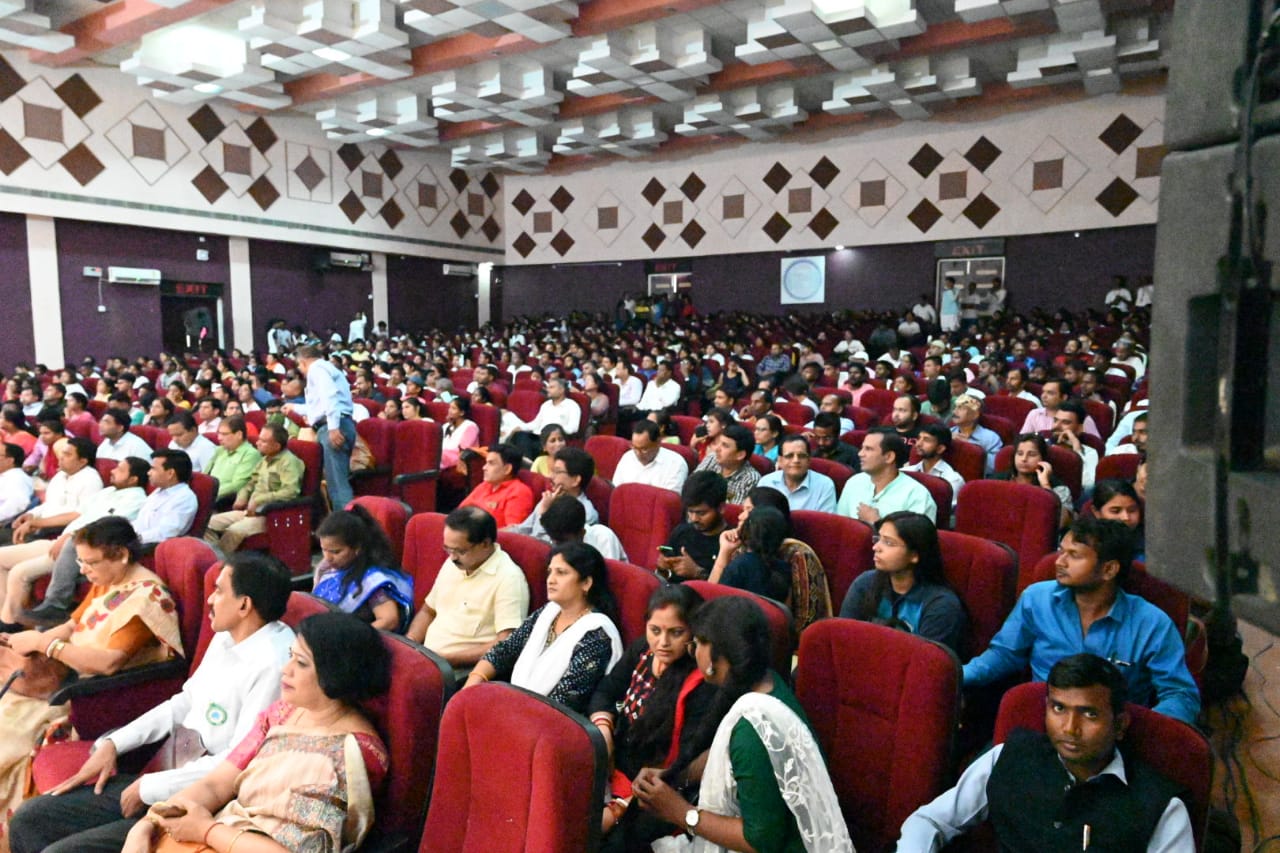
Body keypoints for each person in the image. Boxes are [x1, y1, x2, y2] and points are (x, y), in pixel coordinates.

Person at [10, 553, 294, 853]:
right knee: (29, 820)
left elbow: (238, 762)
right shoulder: (226, 636)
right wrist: (115, 743)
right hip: (166, 767)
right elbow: (184, 702)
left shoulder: (274, 664)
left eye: (219, 591)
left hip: (197, 799)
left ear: (244, 605)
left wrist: (150, 788)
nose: (210, 599)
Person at [118, 612, 391, 853]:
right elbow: (216, 784)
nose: (286, 669)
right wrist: (147, 825)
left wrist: (207, 831)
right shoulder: (282, 713)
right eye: (290, 657)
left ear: (337, 673)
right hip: (222, 831)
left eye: (302, 663)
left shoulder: (349, 754)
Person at [0, 517, 184, 843]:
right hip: (68, 675)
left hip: (93, 697)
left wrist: (46, 645)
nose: (83, 570)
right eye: (81, 561)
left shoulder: (145, 598)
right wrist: (33, 645)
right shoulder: (109, 578)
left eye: (90, 561)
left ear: (122, 555)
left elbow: (110, 663)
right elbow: (73, 625)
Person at [899, 653, 1193, 852]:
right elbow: (928, 821)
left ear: (1119, 724)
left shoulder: (1162, 808)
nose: (1070, 728)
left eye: (1089, 714)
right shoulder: (1009, 757)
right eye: (1059, 709)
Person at [633, 596, 852, 853]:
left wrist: (681, 812)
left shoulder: (751, 731)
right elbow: (724, 758)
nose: (694, 652)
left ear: (716, 656)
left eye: (699, 643)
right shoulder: (766, 682)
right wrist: (675, 775)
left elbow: (760, 842)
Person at [964, 517, 1200, 725]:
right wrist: (956, 675)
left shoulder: (1152, 624)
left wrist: (1142, 732)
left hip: (1109, 733)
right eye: (1061, 551)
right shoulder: (1036, 599)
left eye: (1074, 555)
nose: (1060, 562)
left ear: (1109, 569)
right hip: (1041, 722)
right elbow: (1004, 655)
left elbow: (1179, 694)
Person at [589, 585, 714, 849]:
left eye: (676, 633)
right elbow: (606, 690)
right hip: (614, 761)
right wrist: (603, 729)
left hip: (656, 785)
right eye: (655, 630)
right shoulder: (643, 652)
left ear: (695, 632)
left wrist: (621, 804)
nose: (663, 643)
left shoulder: (701, 682)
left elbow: (683, 762)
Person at [465, 542, 623, 713]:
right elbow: (505, 650)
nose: (551, 580)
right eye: (550, 572)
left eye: (561, 573)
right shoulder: (549, 611)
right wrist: (473, 682)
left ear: (586, 583)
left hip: (550, 723)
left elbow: (565, 700)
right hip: (516, 705)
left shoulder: (596, 634)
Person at [405, 506, 530, 667]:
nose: (452, 557)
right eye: (447, 549)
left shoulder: (509, 578)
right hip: (427, 660)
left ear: (485, 544)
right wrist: (411, 643)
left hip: (460, 670)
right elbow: (428, 610)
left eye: (460, 551)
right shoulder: (455, 562)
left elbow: (506, 643)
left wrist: (445, 660)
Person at [838, 511, 966, 654]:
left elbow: (929, 666)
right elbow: (843, 639)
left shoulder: (941, 605)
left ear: (915, 555)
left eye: (888, 542)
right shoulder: (865, 583)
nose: (876, 548)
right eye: (878, 539)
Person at [204, 424, 304, 554]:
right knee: (206, 524)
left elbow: (291, 492)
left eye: (263, 441)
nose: (257, 443)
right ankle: (217, 558)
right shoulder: (264, 459)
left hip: (271, 515)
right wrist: (243, 495)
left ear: (277, 446)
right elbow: (251, 482)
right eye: (259, 439)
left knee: (234, 531)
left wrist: (259, 500)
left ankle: (221, 565)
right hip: (249, 511)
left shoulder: (289, 462)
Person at [312, 507, 414, 633]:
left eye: (335, 552)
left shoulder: (371, 581)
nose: (328, 558)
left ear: (357, 548)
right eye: (324, 549)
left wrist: (353, 636)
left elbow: (390, 620)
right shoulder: (326, 569)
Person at [291, 344, 357, 513]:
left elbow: (330, 397)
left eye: (299, 365)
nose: (300, 370)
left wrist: (333, 428)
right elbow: (318, 407)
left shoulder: (317, 369)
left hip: (334, 426)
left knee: (337, 485)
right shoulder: (326, 369)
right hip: (333, 424)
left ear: (303, 361)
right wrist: (293, 408)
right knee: (335, 483)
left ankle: (347, 530)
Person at [836, 430, 937, 524]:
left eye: (868, 449)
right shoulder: (854, 482)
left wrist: (877, 523)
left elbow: (918, 541)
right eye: (862, 448)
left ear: (889, 457)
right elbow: (841, 527)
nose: (860, 453)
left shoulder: (917, 496)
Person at [511, 446, 598, 542]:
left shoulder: (586, 513)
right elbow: (522, 530)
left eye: (557, 472)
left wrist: (544, 513)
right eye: (552, 471)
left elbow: (545, 544)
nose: (550, 476)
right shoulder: (551, 499)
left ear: (576, 480)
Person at [707, 505, 790, 601]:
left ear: (746, 531)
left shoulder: (740, 566)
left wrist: (724, 551)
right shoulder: (785, 568)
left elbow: (710, 596)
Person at [658, 471, 727, 581]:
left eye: (701, 513)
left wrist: (697, 573)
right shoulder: (681, 532)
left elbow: (727, 591)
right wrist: (662, 568)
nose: (694, 519)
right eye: (690, 511)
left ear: (721, 508)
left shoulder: (730, 543)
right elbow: (664, 578)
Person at [997, 433, 1074, 528]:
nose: (1024, 459)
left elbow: (1061, 523)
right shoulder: (997, 481)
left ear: (1043, 458)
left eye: (1032, 454)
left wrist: (1045, 485)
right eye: (1020, 454)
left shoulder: (1058, 487)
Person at [458, 443, 536, 528]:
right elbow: (460, 511)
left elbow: (513, 531)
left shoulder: (519, 492)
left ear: (507, 469)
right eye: (486, 463)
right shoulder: (485, 485)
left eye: (491, 463)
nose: (484, 468)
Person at [757, 434, 836, 513]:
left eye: (801, 456)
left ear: (809, 460)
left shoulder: (824, 485)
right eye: (789, 456)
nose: (796, 460)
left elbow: (824, 523)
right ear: (780, 460)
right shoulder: (766, 483)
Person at [540, 493, 628, 561]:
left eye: (562, 542)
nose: (558, 547)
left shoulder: (603, 538)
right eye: (554, 541)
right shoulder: (556, 533)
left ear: (582, 533)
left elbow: (606, 578)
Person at [613, 420, 689, 494]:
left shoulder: (676, 464)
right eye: (634, 448)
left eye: (644, 449)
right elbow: (616, 491)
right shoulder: (627, 457)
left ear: (658, 443)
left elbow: (670, 501)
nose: (638, 454)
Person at [902, 424, 964, 511]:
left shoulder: (952, 480)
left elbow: (945, 514)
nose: (918, 444)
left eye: (926, 440)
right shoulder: (905, 472)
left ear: (940, 449)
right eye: (919, 438)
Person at [694, 424, 760, 504]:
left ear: (740, 455)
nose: (717, 449)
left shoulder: (750, 479)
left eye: (725, 446)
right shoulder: (712, 458)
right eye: (719, 443)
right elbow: (692, 487)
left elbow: (734, 511)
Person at [205, 415, 262, 505]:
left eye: (224, 434)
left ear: (239, 434)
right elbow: (205, 474)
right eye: (218, 433)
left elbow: (238, 485)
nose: (219, 438)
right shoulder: (219, 450)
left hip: (223, 501)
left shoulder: (250, 454)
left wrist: (209, 494)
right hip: (208, 495)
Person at [1020, 379, 1102, 438]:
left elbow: (1095, 444)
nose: (1043, 396)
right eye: (1043, 392)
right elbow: (1023, 439)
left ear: (1064, 397)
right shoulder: (1034, 413)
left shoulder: (1082, 418)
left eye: (1050, 393)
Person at [1052, 398, 1099, 495]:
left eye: (1065, 422)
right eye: (1055, 420)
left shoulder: (1089, 452)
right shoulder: (1043, 446)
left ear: (1079, 428)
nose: (1056, 426)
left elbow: (1088, 486)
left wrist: (1077, 451)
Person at [1093, 478, 1145, 562]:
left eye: (1132, 510)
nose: (1126, 517)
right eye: (1115, 511)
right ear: (1096, 512)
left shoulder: (1151, 545)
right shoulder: (1087, 543)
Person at [950, 394, 1002, 476]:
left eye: (961, 408)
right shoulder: (948, 433)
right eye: (955, 407)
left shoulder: (991, 438)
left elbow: (994, 468)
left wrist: (971, 449)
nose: (955, 412)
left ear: (975, 414)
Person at [439, 396, 480, 469]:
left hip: (458, 458)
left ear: (462, 413)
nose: (449, 411)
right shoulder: (446, 426)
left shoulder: (470, 426)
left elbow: (463, 450)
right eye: (449, 407)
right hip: (442, 456)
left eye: (453, 408)